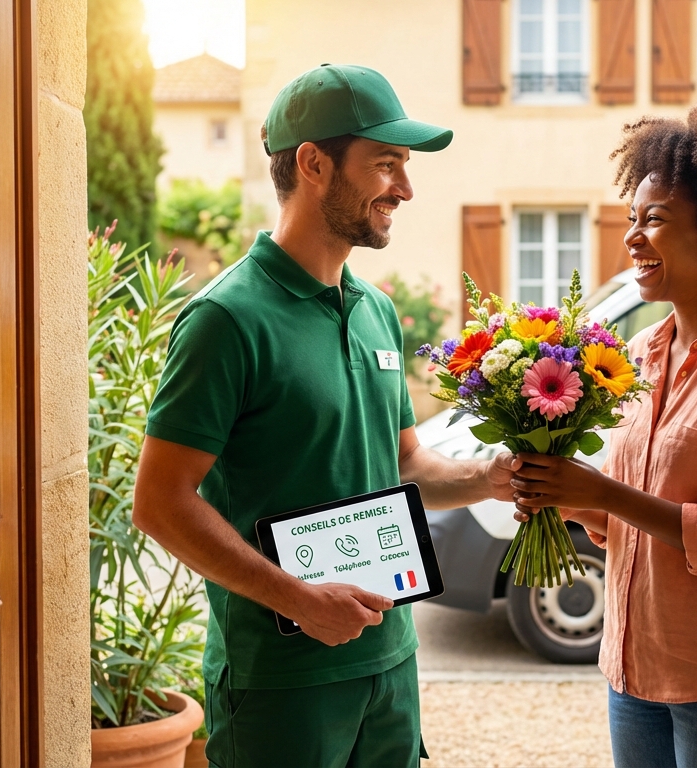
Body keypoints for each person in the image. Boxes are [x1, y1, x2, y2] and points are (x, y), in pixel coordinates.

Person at [132, 64, 518, 768]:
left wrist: (489, 477)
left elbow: (404, 466)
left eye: (403, 166)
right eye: (385, 164)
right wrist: (299, 598)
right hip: (281, 682)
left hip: (390, 665)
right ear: (313, 163)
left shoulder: (375, 311)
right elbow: (159, 502)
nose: (404, 188)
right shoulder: (225, 319)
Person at [511, 102, 697, 768]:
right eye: (632, 220)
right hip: (635, 672)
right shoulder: (645, 350)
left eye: (654, 220)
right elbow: (631, 510)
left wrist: (609, 497)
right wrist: (560, 494)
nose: (633, 238)